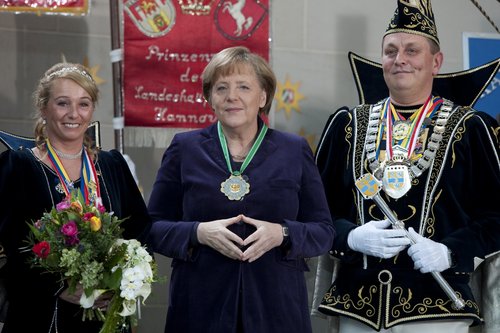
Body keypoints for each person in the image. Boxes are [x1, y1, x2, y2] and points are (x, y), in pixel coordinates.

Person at [312, 1, 500, 332]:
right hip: (357, 308)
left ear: (436, 62)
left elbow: (496, 216)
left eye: (412, 50)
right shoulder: (348, 125)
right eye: (390, 51)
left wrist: (450, 252)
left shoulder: (471, 128)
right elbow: (313, 208)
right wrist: (350, 237)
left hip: (439, 309)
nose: (400, 59)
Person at [147, 45, 335, 333]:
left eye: (244, 87)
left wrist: (282, 233)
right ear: (210, 98)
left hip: (276, 309)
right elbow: (153, 228)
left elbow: (323, 231)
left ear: (263, 97)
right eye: (221, 88)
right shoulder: (184, 148)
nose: (231, 96)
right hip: (199, 307)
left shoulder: (293, 150)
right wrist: (198, 232)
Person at [0, 62, 152, 333]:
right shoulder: (18, 166)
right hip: (41, 316)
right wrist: (60, 287)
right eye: (62, 103)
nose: (74, 114)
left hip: (105, 315)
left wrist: (123, 276)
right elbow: (9, 245)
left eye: (83, 104)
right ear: (43, 107)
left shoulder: (113, 165)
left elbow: (140, 230)